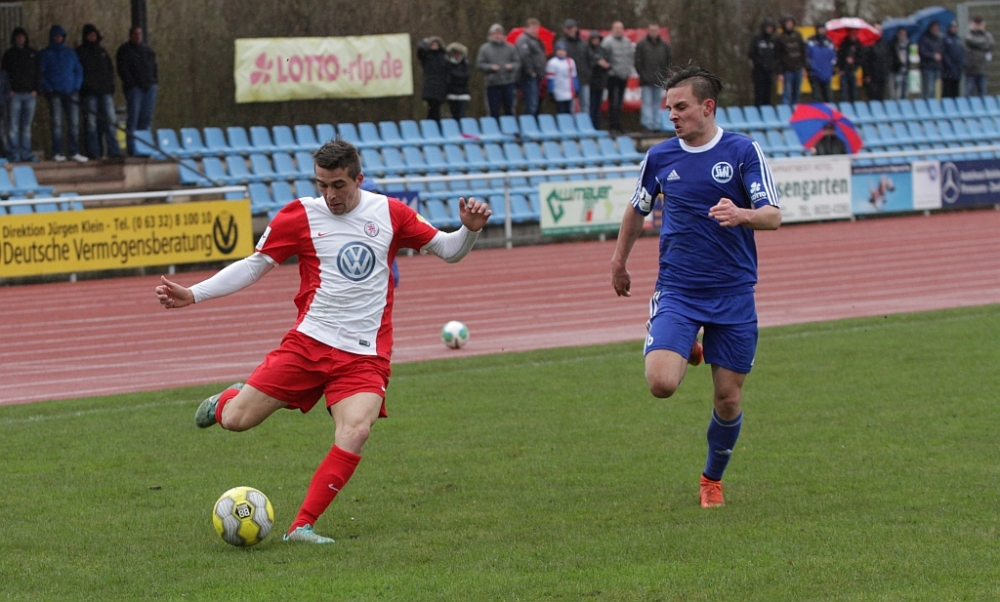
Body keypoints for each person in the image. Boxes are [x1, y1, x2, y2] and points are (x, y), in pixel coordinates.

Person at [155, 139, 492, 544]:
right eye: (322, 185)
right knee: (237, 421)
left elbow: (448, 250)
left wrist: (469, 231)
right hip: (308, 345)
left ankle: (301, 526)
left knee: (356, 431)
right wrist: (194, 294)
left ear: (358, 179)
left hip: (364, 355)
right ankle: (226, 400)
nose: (330, 195)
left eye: (338, 185)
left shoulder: (391, 213)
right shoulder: (300, 215)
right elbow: (254, 266)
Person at [611, 64, 780, 509]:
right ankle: (685, 338)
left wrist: (742, 214)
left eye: (680, 107)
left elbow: (772, 216)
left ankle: (711, 480)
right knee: (661, 384)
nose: (672, 115)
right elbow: (636, 209)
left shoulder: (743, 151)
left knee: (727, 399)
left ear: (707, 107)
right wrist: (619, 260)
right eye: (669, 108)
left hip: (734, 294)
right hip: (679, 291)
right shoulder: (660, 157)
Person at [39, 25, 87, 163]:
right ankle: (57, 152)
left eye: (60, 36)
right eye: (56, 36)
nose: (58, 38)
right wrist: (48, 87)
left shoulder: (70, 53)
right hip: (55, 94)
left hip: (71, 93)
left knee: (74, 123)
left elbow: (78, 70)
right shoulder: (45, 54)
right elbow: (40, 74)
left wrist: (76, 86)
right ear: (52, 37)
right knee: (57, 123)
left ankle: (74, 151)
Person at [76, 24, 121, 159]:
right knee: (91, 124)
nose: (92, 37)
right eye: (89, 35)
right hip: (89, 93)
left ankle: (114, 150)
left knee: (111, 121)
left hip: (105, 92)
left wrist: (110, 86)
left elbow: (110, 70)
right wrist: (85, 87)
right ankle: (94, 151)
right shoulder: (80, 52)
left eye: (94, 35)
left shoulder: (102, 52)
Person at [116, 26, 158, 156]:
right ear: (130, 35)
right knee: (133, 119)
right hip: (135, 89)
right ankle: (132, 149)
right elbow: (122, 70)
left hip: (149, 88)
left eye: (140, 34)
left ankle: (144, 148)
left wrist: (154, 81)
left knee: (146, 119)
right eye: (135, 34)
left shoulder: (147, 50)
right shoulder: (124, 50)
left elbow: (154, 67)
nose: (138, 36)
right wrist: (131, 84)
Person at [2, 27, 39, 162]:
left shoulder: (33, 53)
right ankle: (14, 154)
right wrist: (9, 90)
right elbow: (4, 75)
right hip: (15, 95)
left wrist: (36, 89)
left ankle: (26, 153)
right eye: (17, 37)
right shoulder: (9, 54)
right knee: (13, 126)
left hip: (30, 95)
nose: (20, 39)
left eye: (22, 36)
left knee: (26, 127)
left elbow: (38, 73)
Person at [476, 24, 520, 118]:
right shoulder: (485, 49)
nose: (497, 36)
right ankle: (493, 127)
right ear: (490, 35)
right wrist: (490, 67)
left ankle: (510, 126)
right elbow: (479, 64)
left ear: (503, 35)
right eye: (495, 34)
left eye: (499, 33)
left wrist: (511, 66)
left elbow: (518, 63)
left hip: (508, 82)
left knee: (509, 109)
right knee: (493, 110)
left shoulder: (511, 48)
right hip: (492, 84)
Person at [634, 23, 671, 131]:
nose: (654, 33)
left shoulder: (664, 45)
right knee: (646, 103)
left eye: (655, 30)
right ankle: (647, 125)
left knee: (657, 104)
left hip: (659, 80)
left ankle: (656, 124)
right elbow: (637, 62)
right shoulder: (641, 44)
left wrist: (663, 75)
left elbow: (669, 61)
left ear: (659, 31)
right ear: (648, 31)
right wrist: (643, 75)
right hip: (646, 80)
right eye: (652, 30)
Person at [602, 21, 634, 134]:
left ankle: (618, 125)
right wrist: (610, 70)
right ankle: (612, 126)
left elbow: (630, 57)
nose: (619, 30)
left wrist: (628, 70)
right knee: (613, 102)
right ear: (612, 29)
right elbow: (604, 58)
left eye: (620, 28)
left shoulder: (627, 42)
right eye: (616, 28)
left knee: (620, 102)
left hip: (623, 75)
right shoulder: (607, 42)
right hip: (613, 76)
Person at [515, 18, 548, 117]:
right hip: (528, 76)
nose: (535, 30)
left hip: (537, 76)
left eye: (536, 28)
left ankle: (532, 122)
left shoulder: (536, 40)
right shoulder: (523, 40)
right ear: (526, 28)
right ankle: (527, 124)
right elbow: (524, 56)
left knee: (535, 102)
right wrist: (530, 71)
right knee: (531, 103)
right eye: (532, 28)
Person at [560, 19, 590, 115]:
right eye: (567, 28)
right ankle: (572, 123)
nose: (570, 30)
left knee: (585, 104)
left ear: (576, 28)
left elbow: (589, 59)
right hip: (569, 79)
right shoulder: (562, 44)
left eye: (571, 28)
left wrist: (587, 73)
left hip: (583, 77)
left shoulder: (583, 43)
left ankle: (584, 122)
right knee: (571, 106)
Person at [774, 16, 806, 106]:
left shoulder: (798, 35)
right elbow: (777, 56)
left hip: (798, 68)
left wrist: (804, 66)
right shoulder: (780, 38)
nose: (789, 25)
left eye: (791, 23)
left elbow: (803, 51)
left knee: (797, 92)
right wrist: (779, 72)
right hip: (787, 69)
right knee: (787, 92)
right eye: (788, 23)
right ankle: (786, 109)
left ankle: (795, 108)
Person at [416, 36, 448, 121]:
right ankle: (432, 124)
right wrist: (423, 42)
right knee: (432, 108)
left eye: (436, 44)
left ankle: (434, 124)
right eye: (432, 44)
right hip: (430, 87)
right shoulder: (426, 56)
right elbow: (420, 50)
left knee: (436, 109)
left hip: (440, 87)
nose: (434, 46)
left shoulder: (443, 57)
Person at [748, 18, 777, 106]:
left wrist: (773, 66)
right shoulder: (757, 39)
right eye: (768, 27)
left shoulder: (773, 40)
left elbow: (776, 55)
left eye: (771, 27)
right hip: (759, 71)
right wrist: (760, 64)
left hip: (769, 71)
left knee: (768, 94)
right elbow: (751, 53)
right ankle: (758, 109)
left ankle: (767, 110)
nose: (769, 29)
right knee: (759, 93)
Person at [862, 24, 894, 101]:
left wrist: (887, 69)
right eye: (877, 30)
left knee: (881, 96)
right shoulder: (868, 44)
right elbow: (865, 60)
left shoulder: (885, 44)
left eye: (880, 30)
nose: (879, 32)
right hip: (872, 76)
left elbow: (889, 58)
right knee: (872, 97)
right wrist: (867, 74)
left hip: (883, 75)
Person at [965, 16, 995, 97]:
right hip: (971, 70)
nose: (978, 26)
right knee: (968, 93)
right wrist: (983, 44)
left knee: (983, 94)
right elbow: (969, 40)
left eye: (979, 24)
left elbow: (991, 44)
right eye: (976, 24)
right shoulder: (969, 34)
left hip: (982, 70)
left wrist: (983, 33)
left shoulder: (986, 34)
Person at [806, 24, 836, 102]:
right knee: (817, 96)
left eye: (823, 29)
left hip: (826, 72)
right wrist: (809, 68)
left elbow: (833, 56)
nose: (822, 31)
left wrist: (833, 68)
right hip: (814, 72)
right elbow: (806, 56)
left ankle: (828, 109)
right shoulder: (810, 41)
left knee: (828, 96)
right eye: (820, 29)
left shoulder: (829, 41)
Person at [545, 41, 578, 114]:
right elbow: (550, 79)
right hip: (558, 92)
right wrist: (551, 91)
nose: (561, 52)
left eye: (563, 50)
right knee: (561, 112)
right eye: (559, 50)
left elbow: (574, 76)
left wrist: (576, 88)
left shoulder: (571, 61)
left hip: (569, 92)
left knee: (569, 112)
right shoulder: (552, 63)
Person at [587, 30, 611, 130]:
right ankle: (590, 125)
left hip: (601, 82)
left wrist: (604, 64)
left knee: (598, 106)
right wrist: (597, 62)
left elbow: (607, 63)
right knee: (591, 105)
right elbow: (590, 62)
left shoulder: (602, 50)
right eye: (594, 39)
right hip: (591, 81)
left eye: (597, 39)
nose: (596, 41)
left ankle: (597, 125)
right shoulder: (588, 49)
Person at [444, 42, 471, 120]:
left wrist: (455, 75)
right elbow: (448, 78)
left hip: (463, 93)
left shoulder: (466, 64)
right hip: (452, 93)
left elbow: (466, 76)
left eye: (458, 53)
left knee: (462, 115)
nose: (457, 55)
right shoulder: (448, 64)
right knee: (454, 115)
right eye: (455, 53)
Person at [941, 21, 966, 99]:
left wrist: (962, 64)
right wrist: (950, 65)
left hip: (957, 70)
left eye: (956, 27)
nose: (954, 29)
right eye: (953, 27)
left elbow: (962, 53)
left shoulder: (958, 39)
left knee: (955, 92)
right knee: (947, 91)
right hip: (947, 71)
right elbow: (944, 54)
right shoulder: (945, 38)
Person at [918, 21, 943, 99]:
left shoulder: (938, 39)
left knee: (936, 90)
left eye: (937, 28)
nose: (936, 29)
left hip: (937, 67)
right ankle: (926, 104)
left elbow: (941, 50)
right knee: (929, 89)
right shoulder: (924, 38)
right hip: (927, 67)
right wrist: (932, 56)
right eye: (934, 28)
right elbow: (922, 51)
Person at [837, 29, 863, 102]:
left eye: (855, 34)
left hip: (853, 70)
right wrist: (841, 68)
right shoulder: (843, 44)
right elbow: (839, 57)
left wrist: (854, 61)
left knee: (854, 92)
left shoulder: (858, 44)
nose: (854, 35)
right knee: (843, 93)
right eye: (852, 33)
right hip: (844, 71)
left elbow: (861, 58)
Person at [891, 28, 910, 100]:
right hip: (897, 70)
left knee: (905, 92)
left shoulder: (908, 44)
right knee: (897, 92)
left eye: (904, 34)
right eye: (901, 34)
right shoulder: (894, 45)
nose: (903, 36)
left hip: (906, 70)